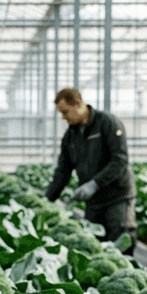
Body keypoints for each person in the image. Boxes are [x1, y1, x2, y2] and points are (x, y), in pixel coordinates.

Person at [44, 88, 136, 247]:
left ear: (78, 104)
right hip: (93, 202)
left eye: (65, 112)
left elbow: (120, 160)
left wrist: (95, 184)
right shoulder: (70, 136)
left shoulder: (107, 123)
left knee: (121, 242)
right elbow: (63, 171)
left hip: (117, 197)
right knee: (93, 246)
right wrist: (47, 199)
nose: (63, 117)